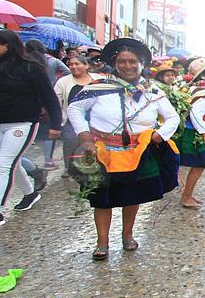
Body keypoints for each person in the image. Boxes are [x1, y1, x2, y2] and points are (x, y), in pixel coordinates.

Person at [67, 38, 180, 259]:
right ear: (114, 63)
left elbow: (172, 117)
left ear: (142, 64)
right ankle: (102, 242)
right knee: (102, 198)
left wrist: (159, 135)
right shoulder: (99, 88)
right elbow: (75, 110)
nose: (127, 66)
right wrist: (85, 137)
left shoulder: (152, 91)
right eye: (121, 61)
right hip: (104, 151)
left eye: (133, 61)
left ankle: (127, 235)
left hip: (138, 153)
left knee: (132, 195)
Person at [0, 30, 63, 230]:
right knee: (9, 162)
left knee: (4, 164)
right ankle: (30, 193)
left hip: (22, 124)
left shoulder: (31, 68)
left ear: (7, 45)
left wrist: (55, 125)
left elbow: (49, 98)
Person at [176, 58, 205, 209]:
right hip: (200, 130)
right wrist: (204, 133)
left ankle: (188, 195)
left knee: (199, 166)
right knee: (199, 165)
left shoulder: (203, 89)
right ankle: (186, 197)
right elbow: (195, 113)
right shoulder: (201, 90)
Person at [53, 53, 105, 172]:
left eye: (77, 64)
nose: (73, 66)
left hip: (95, 119)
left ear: (86, 66)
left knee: (95, 144)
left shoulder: (97, 79)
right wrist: (57, 120)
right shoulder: (63, 82)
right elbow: (56, 101)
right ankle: (69, 167)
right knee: (71, 142)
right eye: (71, 64)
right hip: (71, 120)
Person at [26, 39, 72, 170]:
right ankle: (48, 161)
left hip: (28, 99)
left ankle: (26, 162)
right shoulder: (53, 61)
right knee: (47, 131)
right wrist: (56, 80)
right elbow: (68, 71)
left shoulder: (23, 62)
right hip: (50, 95)